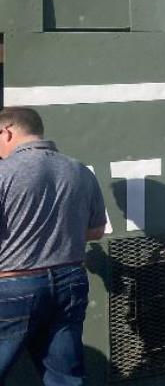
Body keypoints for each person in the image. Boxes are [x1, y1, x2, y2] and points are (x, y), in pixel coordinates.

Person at [0, 107, 106, 386]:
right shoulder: (79, 171)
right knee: (65, 378)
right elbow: (96, 231)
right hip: (69, 281)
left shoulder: (3, 172)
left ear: (7, 131)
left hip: (13, 286)